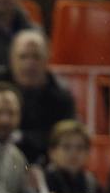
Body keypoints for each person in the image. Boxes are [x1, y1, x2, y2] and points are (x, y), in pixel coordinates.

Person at [9, 30, 76, 165]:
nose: (29, 64)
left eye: (36, 57)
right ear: (12, 59)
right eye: (23, 57)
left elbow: (65, 138)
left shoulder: (62, 98)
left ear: (47, 58)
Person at [39, 120, 104, 193]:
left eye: (80, 148)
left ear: (88, 153)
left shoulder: (91, 182)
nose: (73, 153)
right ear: (52, 152)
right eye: (66, 147)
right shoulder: (42, 180)